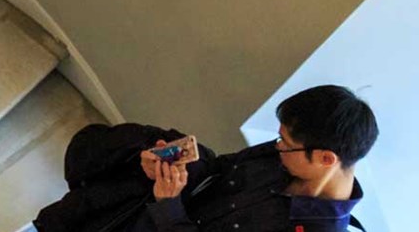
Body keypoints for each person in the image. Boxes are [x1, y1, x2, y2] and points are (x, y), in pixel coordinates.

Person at [36, 85, 376, 232]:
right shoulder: (281, 159)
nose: (276, 147)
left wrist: (169, 206)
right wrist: (172, 162)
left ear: (327, 159)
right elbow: (222, 170)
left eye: (285, 143)